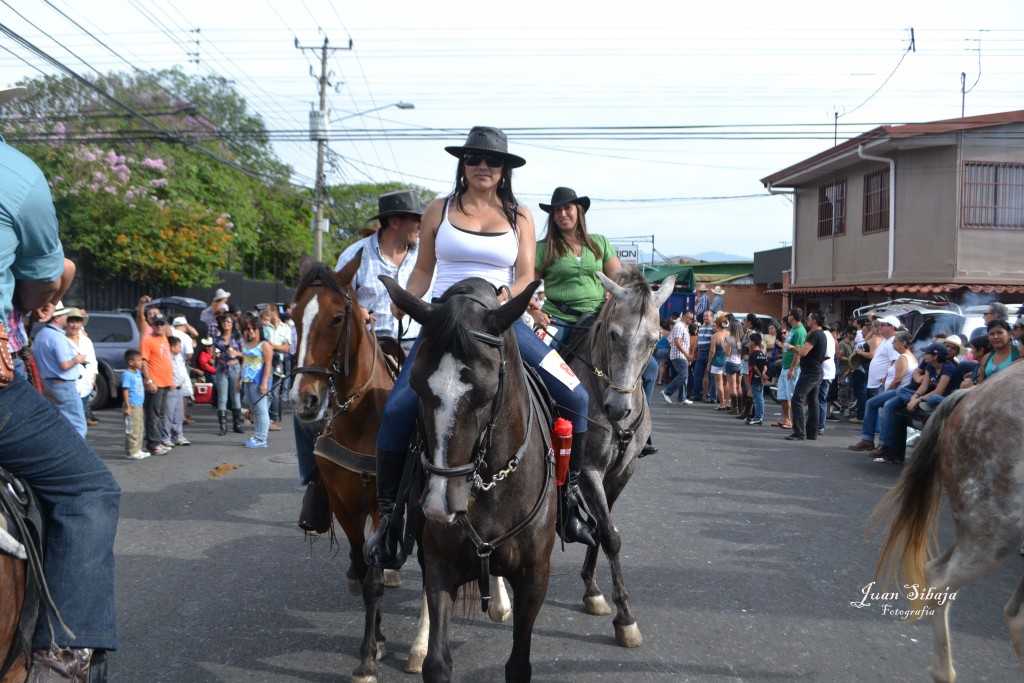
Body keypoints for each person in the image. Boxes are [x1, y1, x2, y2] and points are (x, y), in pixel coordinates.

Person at [365, 126, 594, 571]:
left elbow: (527, 273)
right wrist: (406, 304)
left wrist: (509, 297)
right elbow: (423, 272)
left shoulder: (521, 216)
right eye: (474, 159)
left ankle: (571, 506)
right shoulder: (437, 209)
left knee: (576, 396)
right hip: (444, 321)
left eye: (492, 161)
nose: (483, 167)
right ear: (463, 165)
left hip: (498, 321)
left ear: (505, 169)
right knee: (395, 412)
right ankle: (391, 521)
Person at [0, 85, 118, 680]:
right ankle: (62, 658)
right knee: (90, 491)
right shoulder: (16, 174)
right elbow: (45, 278)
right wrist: (47, 287)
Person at [529, 186, 659, 453]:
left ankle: (639, 431)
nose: (562, 213)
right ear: (552, 216)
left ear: (579, 211)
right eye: (557, 210)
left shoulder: (598, 243)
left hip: (599, 318)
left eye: (567, 208)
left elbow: (621, 277)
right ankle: (541, 425)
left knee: (653, 367)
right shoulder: (544, 249)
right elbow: (526, 284)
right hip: (560, 319)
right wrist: (534, 311)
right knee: (535, 365)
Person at [333, 188, 427, 345]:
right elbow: (333, 302)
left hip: (419, 347)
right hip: (369, 346)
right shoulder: (353, 256)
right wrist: (356, 312)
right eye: (416, 219)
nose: (421, 225)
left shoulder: (426, 255)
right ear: (395, 222)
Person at [847, 331, 917, 454]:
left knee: (871, 403)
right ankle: (872, 441)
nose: (893, 344)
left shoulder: (903, 357)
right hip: (899, 390)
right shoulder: (909, 356)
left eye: (895, 342)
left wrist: (888, 390)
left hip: (898, 391)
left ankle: (871, 440)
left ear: (903, 343)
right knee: (874, 404)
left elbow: (898, 379)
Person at [32, 301, 88, 438]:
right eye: (64, 315)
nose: (66, 317)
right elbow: (64, 365)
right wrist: (77, 359)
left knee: (58, 423)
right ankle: (77, 456)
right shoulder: (57, 337)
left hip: (48, 384)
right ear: (56, 318)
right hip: (63, 385)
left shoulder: (41, 335)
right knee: (77, 424)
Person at [785, 310, 827, 441]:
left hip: (810, 373)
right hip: (816, 371)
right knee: (813, 402)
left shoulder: (815, 334)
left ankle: (799, 432)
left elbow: (803, 352)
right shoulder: (822, 334)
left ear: (814, 320)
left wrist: (792, 347)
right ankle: (812, 432)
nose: (807, 320)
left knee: (797, 399)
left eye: (809, 318)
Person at [237, 313, 273, 448]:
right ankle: (257, 435)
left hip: (258, 381)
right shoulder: (247, 344)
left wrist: (264, 383)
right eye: (249, 329)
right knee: (254, 409)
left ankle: (262, 438)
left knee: (261, 409)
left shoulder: (265, 345)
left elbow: (268, 365)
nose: (251, 331)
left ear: (259, 330)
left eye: (254, 328)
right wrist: (238, 380)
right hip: (247, 380)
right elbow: (244, 363)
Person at [139, 314, 173, 456]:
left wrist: (170, 381)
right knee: (153, 414)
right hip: (155, 383)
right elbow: (143, 362)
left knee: (160, 414)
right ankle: (153, 444)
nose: (159, 326)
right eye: (156, 324)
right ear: (152, 325)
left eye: (162, 324)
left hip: (165, 382)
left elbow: (166, 360)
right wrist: (149, 381)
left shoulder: (164, 339)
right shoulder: (147, 341)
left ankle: (157, 441)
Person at [258, 306, 290, 431]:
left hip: (278, 361)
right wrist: (274, 346)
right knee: (266, 391)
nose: (267, 316)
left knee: (275, 392)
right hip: (265, 362)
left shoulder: (285, 328)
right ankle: (263, 418)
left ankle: (272, 419)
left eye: (268, 312)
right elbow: (262, 344)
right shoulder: (264, 327)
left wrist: (272, 346)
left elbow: (286, 348)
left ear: (274, 312)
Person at [66, 308, 99, 426]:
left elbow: (93, 363)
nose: (75, 325)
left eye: (78, 321)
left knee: (81, 424)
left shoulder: (86, 341)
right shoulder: (61, 340)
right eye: (72, 321)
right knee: (68, 423)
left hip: (84, 388)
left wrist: (91, 382)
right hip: (68, 388)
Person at [212, 313, 244, 436]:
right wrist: (215, 353)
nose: (226, 324)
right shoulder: (217, 337)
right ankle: (223, 426)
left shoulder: (237, 337)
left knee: (235, 397)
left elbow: (244, 352)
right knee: (222, 398)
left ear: (232, 324)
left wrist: (236, 353)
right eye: (224, 322)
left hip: (234, 366)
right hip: (221, 367)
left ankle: (237, 424)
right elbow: (214, 351)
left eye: (229, 322)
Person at [775, 308, 807, 430]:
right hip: (785, 365)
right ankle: (786, 418)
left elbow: (798, 352)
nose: (788, 317)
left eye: (789, 315)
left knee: (793, 395)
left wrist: (792, 369)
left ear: (792, 316)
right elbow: (788, 348)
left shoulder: (799, 331)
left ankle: (795, 421)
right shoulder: (792, 330)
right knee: (783, 394)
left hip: (792, 368)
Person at [164, 335, 192, 447]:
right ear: (172, 347)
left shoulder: (179, 357)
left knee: (178, 415)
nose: (180, 349)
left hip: (180, 387)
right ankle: (166, 437)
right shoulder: (166, 358)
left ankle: (178, 436)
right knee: (168, 414)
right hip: (171, 388)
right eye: (179, 346)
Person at [660, 312, 692, 405]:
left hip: (681, 355)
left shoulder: (684, 327)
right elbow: (677, 341)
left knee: (684, 376)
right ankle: (667, 392)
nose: (692, 320)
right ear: (686, 317)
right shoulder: (679, 326)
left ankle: (682, 397)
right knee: (683, 375)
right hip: (679, 355)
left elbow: (672, 339)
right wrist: (686, 354)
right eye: (691, 318)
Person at [122, 350, 149, 460]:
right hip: (132, 405)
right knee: (133, 429)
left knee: (140, 428)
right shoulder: (127, 374)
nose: (141, 362)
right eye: (138, 360)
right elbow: (125, 391)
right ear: (130, 362)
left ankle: (138, 449)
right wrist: (127, 406)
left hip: (139, 404)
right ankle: (131, 451)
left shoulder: (138, 372)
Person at [746, 332, 768, 425]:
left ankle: (758, 417)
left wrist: (760, 375)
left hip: (754, 379)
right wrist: (763, 374)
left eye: (750, 341)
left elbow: (754, 367)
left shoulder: (753, 354)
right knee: (760, 398)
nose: (749, 343)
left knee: (758, 399)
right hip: (759, 379)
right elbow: (765, 366)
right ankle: (758, 416)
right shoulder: (762, 353)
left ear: (754, 342)